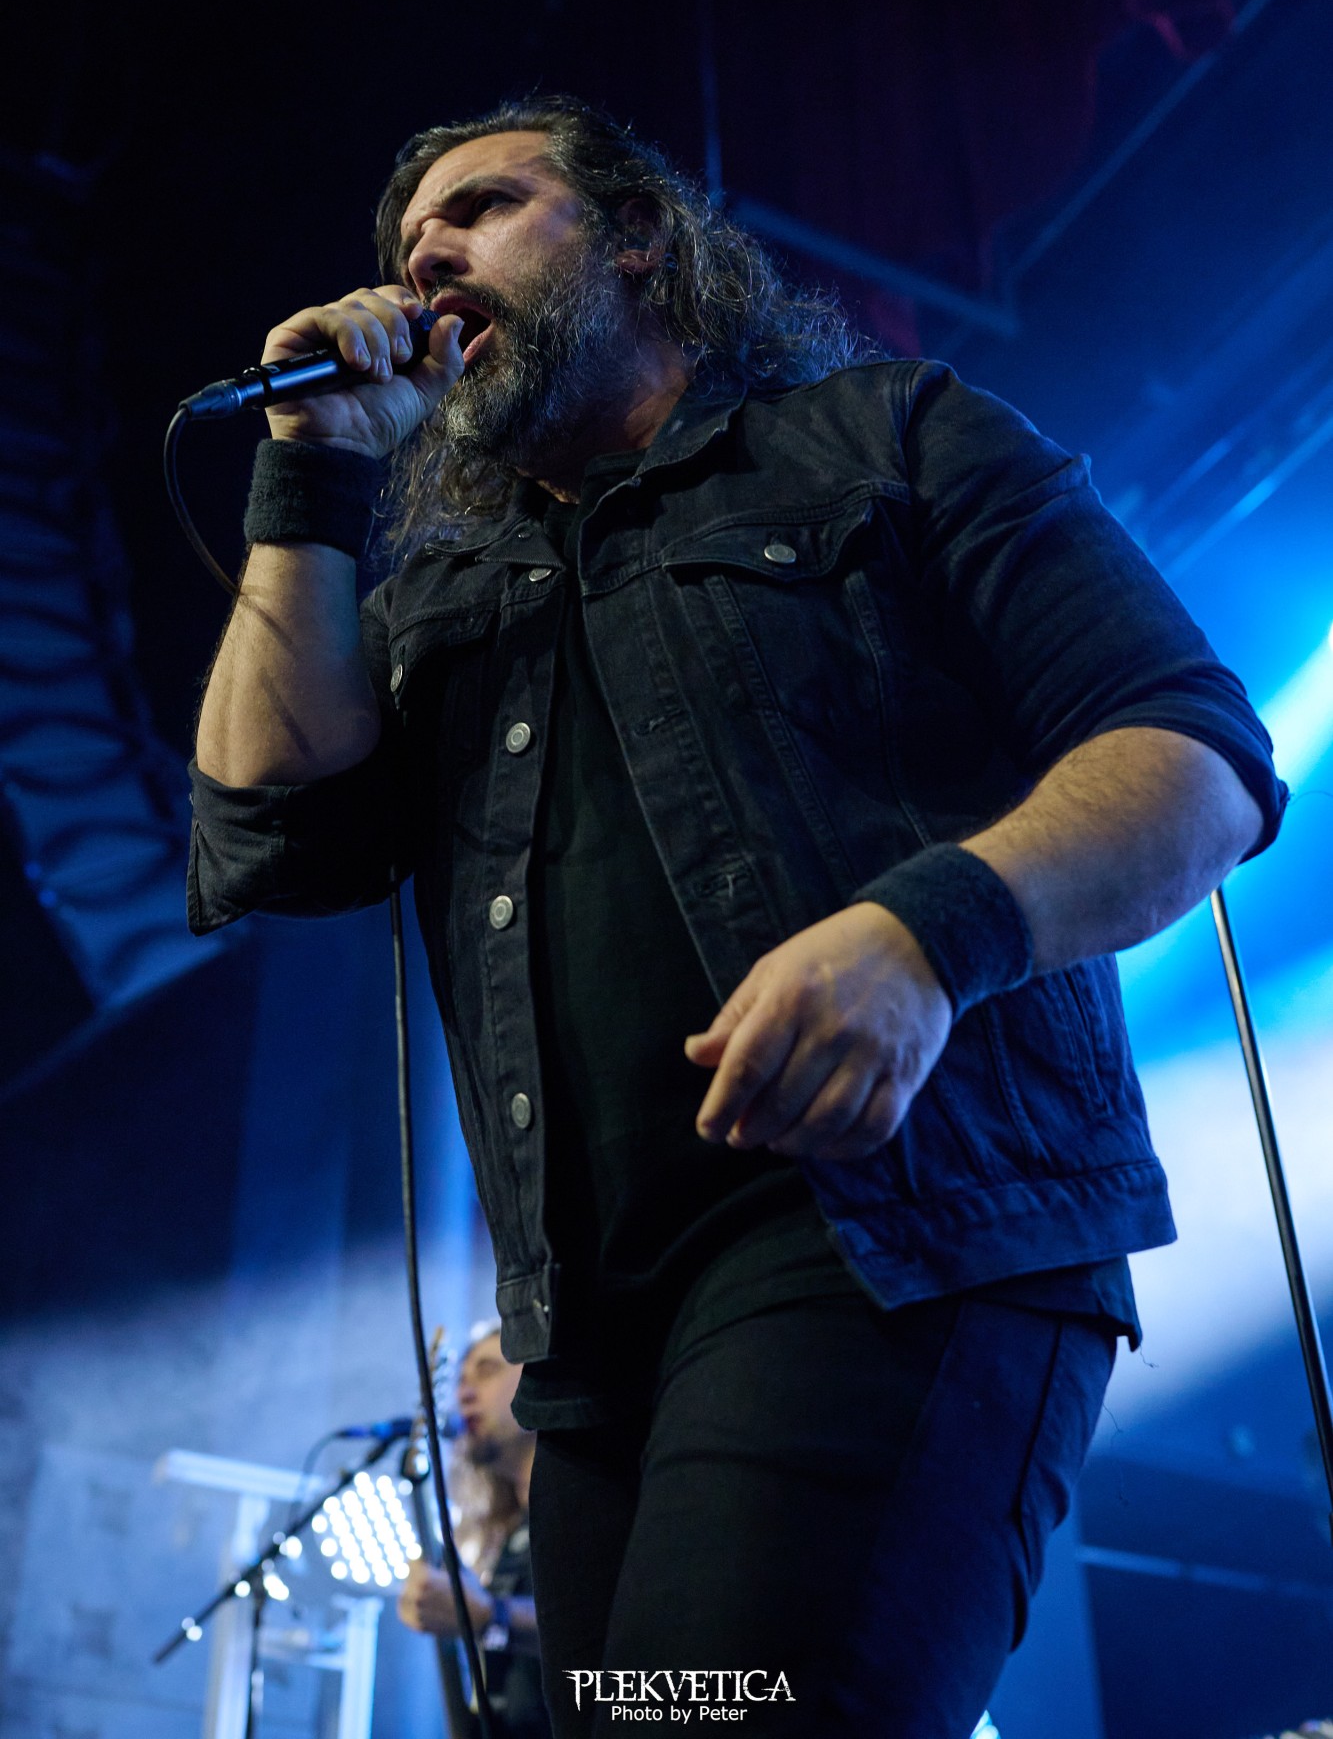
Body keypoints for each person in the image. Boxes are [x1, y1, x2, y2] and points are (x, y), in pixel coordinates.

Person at [187, 96, 1285, 1735]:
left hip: (894, 1242)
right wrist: (310, 477)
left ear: (637, 238)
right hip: (592, 1357)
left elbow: (1193, 753)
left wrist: (928, 935)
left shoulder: (883, 435)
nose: (427, 258)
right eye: (410, 242)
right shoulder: (444, 604)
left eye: (482, 208)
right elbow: (268, 824)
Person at [398, 1325, 549, 1739]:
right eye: (460, 1381)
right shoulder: (510, 1533)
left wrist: (490, 1617)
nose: (464, 1394)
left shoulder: (591, 1513)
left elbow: (605, 1633)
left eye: (487, 1371)